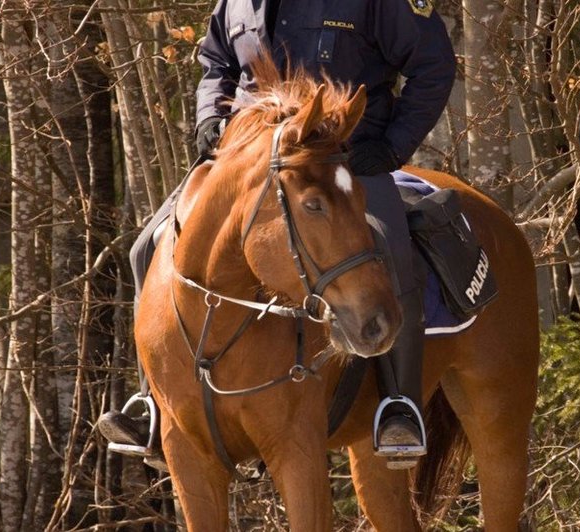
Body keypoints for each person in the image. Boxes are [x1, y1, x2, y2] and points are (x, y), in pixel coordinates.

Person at [98, 0, 456, 470]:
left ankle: (398, 405)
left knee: (390, 248)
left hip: (340, 163)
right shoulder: (236, 3)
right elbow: (216, 62)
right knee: (148, 245)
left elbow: (434, 63)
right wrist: (210, 118)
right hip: (248, 163)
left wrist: (391, 146)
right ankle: (152, 402)